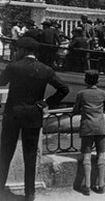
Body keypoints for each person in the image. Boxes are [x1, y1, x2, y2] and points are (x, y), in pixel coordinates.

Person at [0, 37, 69, 201]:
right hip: (33, 115)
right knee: (30, 156)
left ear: (23, 50)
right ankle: (30, 193)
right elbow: (64, 89)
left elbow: (1, 82)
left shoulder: (13, 67)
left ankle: (0, 189)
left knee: (5, 153)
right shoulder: (45, 69)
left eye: (17, 50)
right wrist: (45, 103)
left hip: (13, 114)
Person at [73, 70, 105, 195]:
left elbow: (75, 110)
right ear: (98, 81)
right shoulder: (103, 93)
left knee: (86, 155)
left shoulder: (81, 93)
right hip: (100, 127)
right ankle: (101, 185)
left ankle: (87, 186)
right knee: (101, 155)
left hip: (87, 127)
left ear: (85, 81)